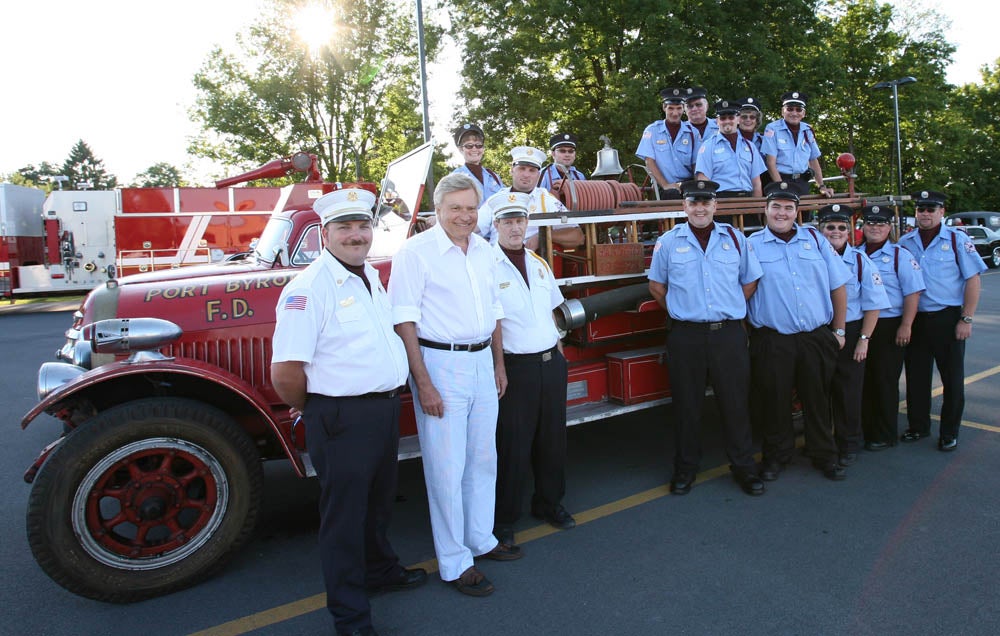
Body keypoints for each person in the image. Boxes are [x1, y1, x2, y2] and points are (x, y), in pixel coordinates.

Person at [270, 188, 426, 636]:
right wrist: (319, 409)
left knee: (377, 505)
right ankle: (351, 617)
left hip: (379, 413)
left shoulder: (369, 276)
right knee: (344, 521)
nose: (356, 235)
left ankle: (380, 571)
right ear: (325, 233)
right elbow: (285, 374)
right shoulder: (308, 289)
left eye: (363, 226)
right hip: (341, 418)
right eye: (345, 227)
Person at [388, 172, 520, 598]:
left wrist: (498, 363)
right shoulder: (416, 252)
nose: (464, 216)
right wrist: (421, 381)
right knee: (446, 468)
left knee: (483, 458)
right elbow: (404, 320)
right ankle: (454, 561)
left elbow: (495, 311)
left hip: (483, 361)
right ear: (439, 210)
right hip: (440, 365)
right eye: (455, 208)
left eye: (470, 208)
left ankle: (481, 538)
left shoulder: (484, 250)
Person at [648, 179, 765, 496]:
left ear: (716, 205)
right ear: (684, 206)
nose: (699, 208)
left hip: (727, 334)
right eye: (693, 202)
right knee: (687, 406)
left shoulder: (735, 239)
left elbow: (750, 280)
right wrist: (680, 308)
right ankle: (685, 469)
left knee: (735, 404)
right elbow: (657, 286)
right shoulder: (669, 242)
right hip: (686, 337)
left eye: (706, 202)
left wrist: (730, 307)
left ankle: (744, 468)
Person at [484, 190, 576, 548]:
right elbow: (492, 321)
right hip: (514, 369)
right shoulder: (486, 266)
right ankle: (504, 519)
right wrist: (498, 366)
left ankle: (550, 504)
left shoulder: (538, 262)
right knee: (513, 446)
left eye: (520, 220)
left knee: (553, 441)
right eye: (507, 221)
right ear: (496, 225)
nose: (514, 227)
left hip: (550, 364)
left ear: (527, 224)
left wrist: (559, 350)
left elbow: (554, 310)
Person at [747, 181, 851, 481]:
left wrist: (840, 331)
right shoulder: (751, 245)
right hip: (773, 338)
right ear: (765, 210)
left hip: (815, 337)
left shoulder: (817, 241)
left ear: (797, 211)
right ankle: (776, 457)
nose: (782, 213)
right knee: (774, 401)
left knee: (818, 400)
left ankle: (824, 455)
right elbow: (742, 292)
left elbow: (838, 285)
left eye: (788, 207)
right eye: (776, 207)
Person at [897, 190, 986, 451]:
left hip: (947, 318)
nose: (925, 214)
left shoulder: (957, 240)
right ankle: (918, 426)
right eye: (921, 209)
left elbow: (973, 279)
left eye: (931, 209)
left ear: (942, 212)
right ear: (916, 212)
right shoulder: (905, 242)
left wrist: (966, 318)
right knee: (916, 377)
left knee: (952, 379)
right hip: (916, 320)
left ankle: (949, 432)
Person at [818, 204, 890, 466]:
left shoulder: (861, 261)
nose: (835, 232)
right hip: (819, 332)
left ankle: (849, 443)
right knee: (818, 392)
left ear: (849, 232)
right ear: (820, 230)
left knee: (848, 391)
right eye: (829, 227)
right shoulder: (811, 257)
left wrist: (864, 340)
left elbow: (874, 304)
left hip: (850, 332)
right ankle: (823, 443)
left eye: (841, 228)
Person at [858, 205, 925, 450]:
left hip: (889, 324)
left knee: (884, 381)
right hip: (864, 324)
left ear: (890, 227)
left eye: (881, 224)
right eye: (871, 223)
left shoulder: (900, 255)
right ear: (863, 226)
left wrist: (906, 325)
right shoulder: (856, 253)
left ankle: (884, 434)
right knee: (864, 380)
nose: (875, 228)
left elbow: (913, 293)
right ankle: (866, 429)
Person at [477, 145, 585, 250]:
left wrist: (543, 236)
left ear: (538, 175)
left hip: (530, 263)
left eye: (532, 170)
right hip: (495, 262)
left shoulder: (547, 200)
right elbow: (474, 230)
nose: (526, 175)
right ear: (512, 170)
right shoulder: (495, 200)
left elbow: (577, 237)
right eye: (522, 169)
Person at [760, 92, 835, 198]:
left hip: (801, 182)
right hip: (779, 180)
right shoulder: (772, 129)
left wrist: (821, 186)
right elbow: (770, 162)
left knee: (804, 214)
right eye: (790, 109)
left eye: (798, 109)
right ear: (783, 111)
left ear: (803, 113)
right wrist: (781, 186)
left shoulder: (808, 130)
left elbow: (813, 160)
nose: (794, 113)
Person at [694, 100, 766, 197]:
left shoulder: (750, 146)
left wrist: (757, 208)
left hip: (747, 200)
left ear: (738, 119)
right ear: (717, 121)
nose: (727, 121)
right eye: (723, 118)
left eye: (731, 117)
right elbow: (703, 180)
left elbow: (756, 184)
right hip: (721, 200)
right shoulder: (708, 146)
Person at [636, 87, 699, 197]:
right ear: (664, 108)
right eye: (671, 108)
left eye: (679, 108)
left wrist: (698, 185)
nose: (675, 113)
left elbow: (696, 164)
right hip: (662, 185)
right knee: (672, 194)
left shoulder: (692, 132)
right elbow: (649, 162)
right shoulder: (652, 131)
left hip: (687, 184)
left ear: (684, 108)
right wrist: (665, 185)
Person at [451, 122, 505, 202]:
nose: (474, 149)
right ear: (461, 149)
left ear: (483, 149)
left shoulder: (494, 177)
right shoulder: (454, 178)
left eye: (478, 145)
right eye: (469, 146)